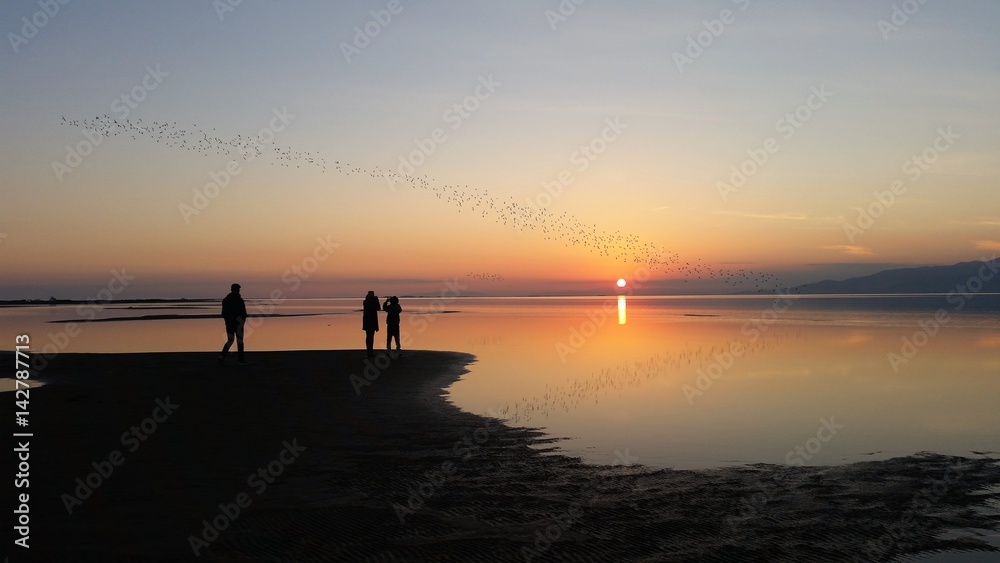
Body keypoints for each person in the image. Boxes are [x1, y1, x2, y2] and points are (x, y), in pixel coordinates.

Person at [219, 283, 250, 366]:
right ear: (237, 290)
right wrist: (242, 321)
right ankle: (240, 360)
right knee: (239, 341)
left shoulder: (226, 300)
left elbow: (223, 313)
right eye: (238, 289)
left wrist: (228, 321)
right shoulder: (239, 300)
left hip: (230, 323)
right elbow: (243, 312)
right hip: (237, 323)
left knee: (230, 340)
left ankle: (222, 356)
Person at [362, 290, 380, 357]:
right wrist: (376, 300)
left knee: (368, 336)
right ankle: (370, 351)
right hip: (372, 320)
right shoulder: (372, 301)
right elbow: (378, 308)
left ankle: (369, 351)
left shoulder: (365, 301)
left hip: (366, 320)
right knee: (371, 336)